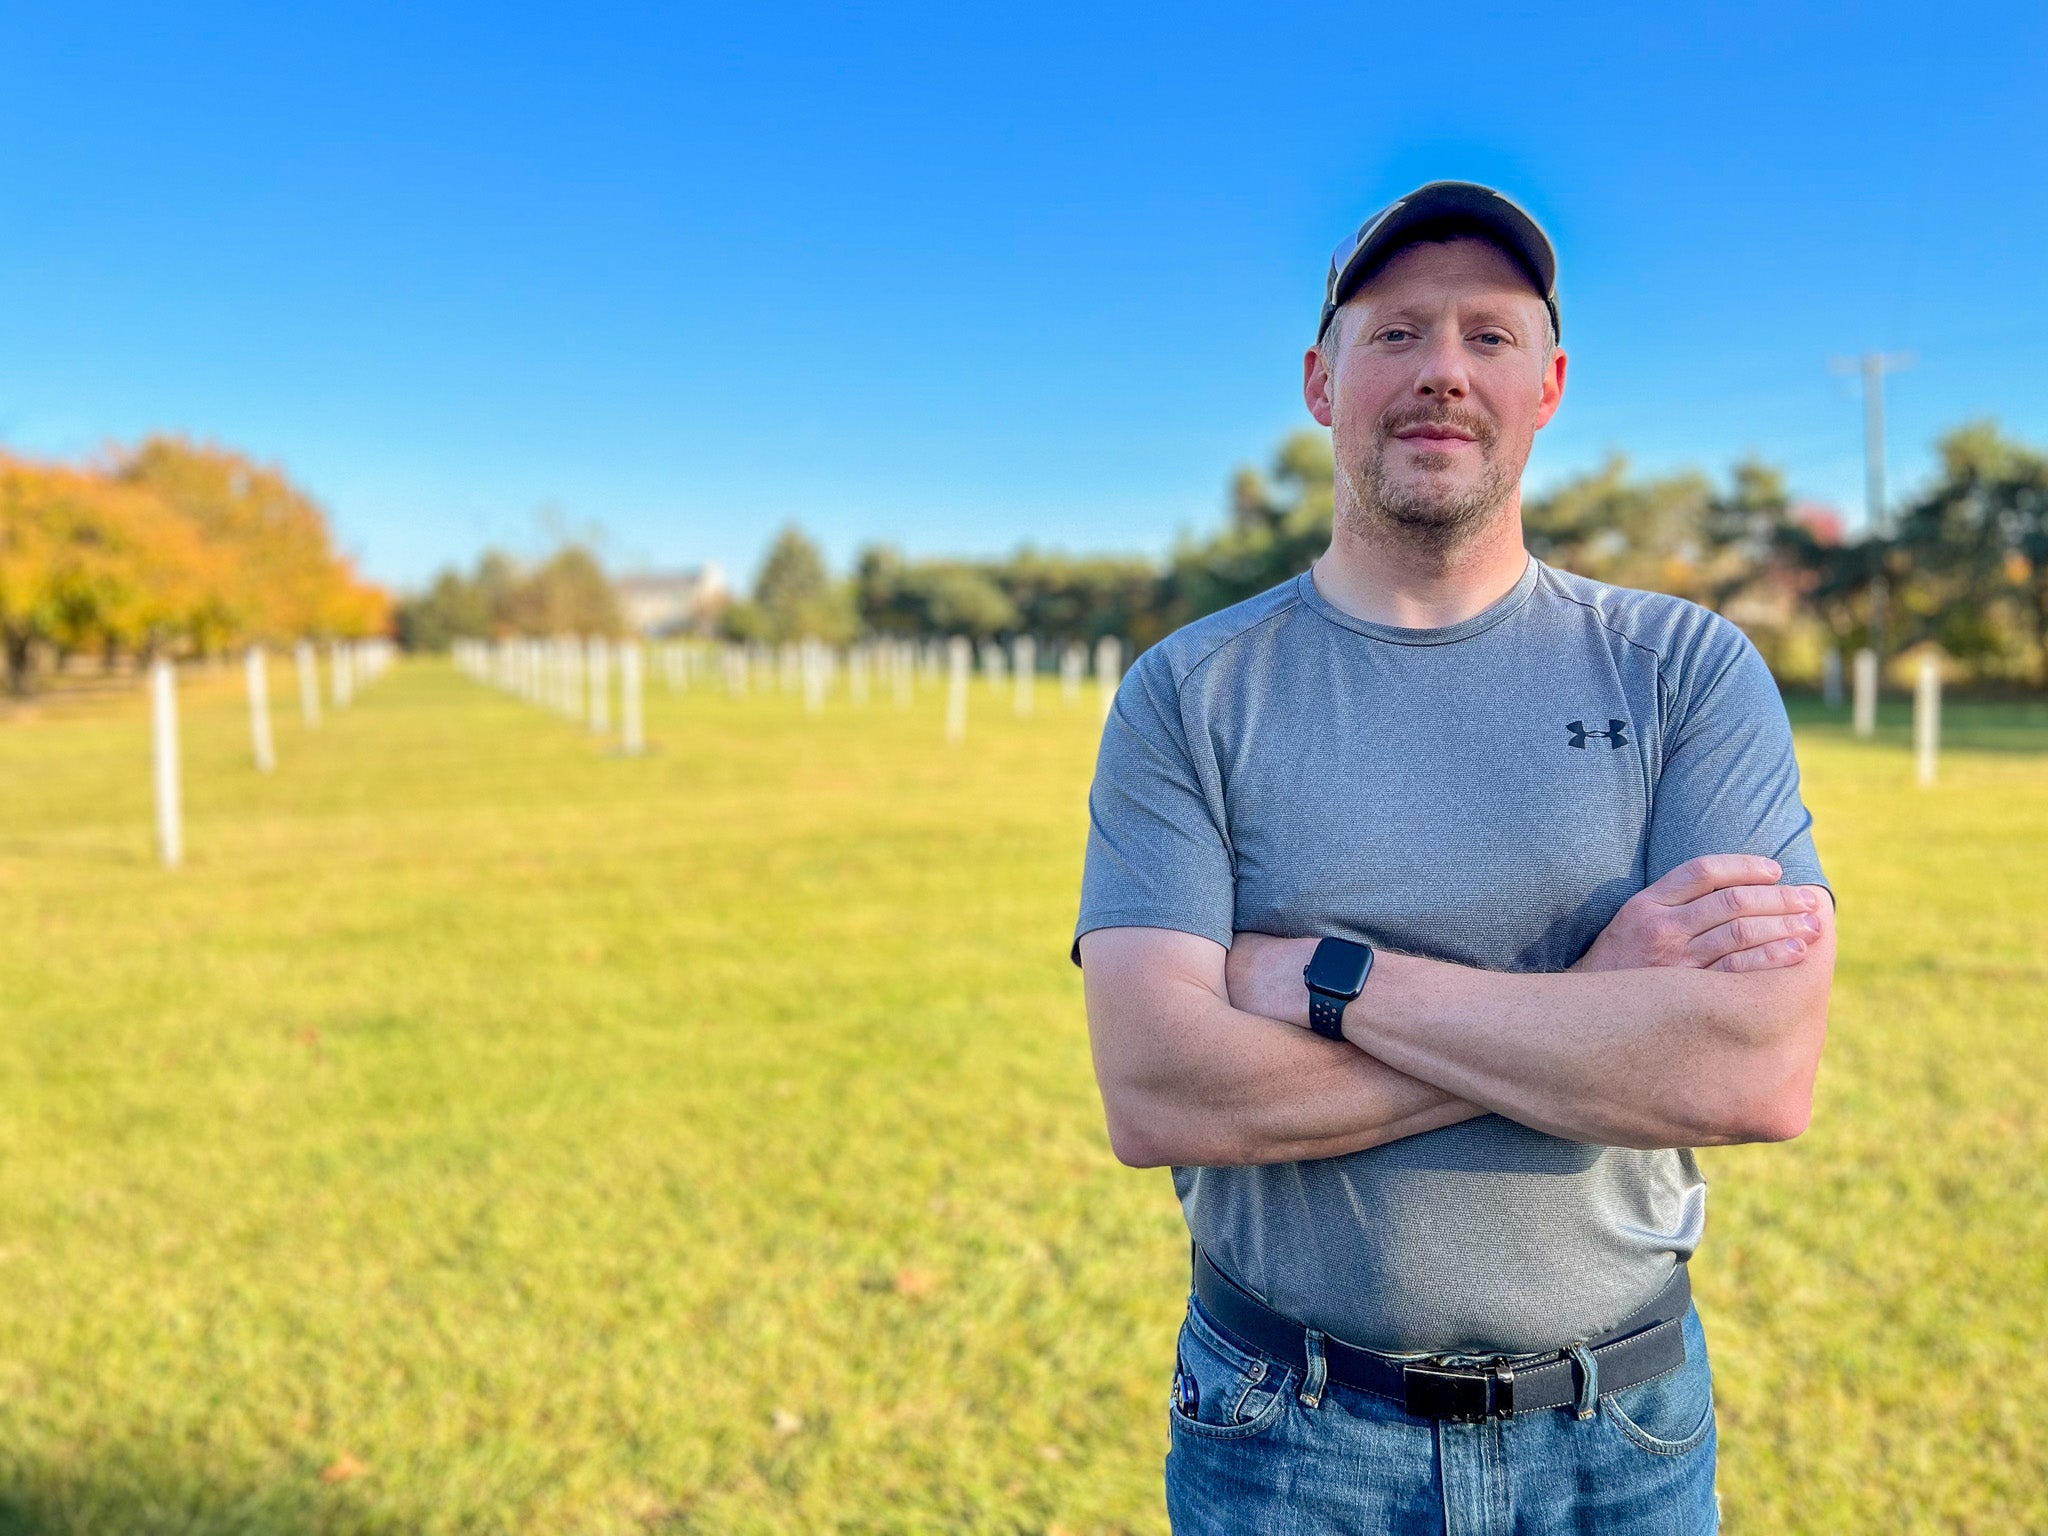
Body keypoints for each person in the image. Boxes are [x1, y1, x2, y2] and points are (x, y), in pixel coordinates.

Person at [1073, 181, 1835, 1534]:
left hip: (1623, 1435)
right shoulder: (1190, 692)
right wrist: (1600, 1011)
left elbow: (1756, 1068)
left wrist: (1328, 982)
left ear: (1549, 382)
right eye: (1397, 333)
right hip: (1286, 1433)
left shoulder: (1686, 674)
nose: (1442, 371)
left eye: (1490, 336)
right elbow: (1157, 1088)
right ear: (1322, 380)